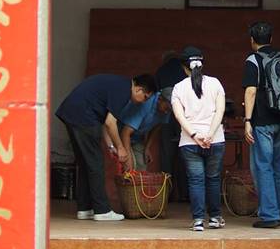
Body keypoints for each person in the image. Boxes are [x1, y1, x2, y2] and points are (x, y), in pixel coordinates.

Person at [55, 72, 156, 220]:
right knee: (96, 164)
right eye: (145, 97)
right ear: (138, 89)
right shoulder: (123, 91)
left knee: (86, 163)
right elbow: (110, 123)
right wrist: (120, 148)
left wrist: (111, 146)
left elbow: (104, 121)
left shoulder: (118, 85)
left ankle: (85, 208)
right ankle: (102, 211)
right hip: (84, 116)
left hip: (72, 113)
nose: (143, 102)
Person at [242, 20, 280, 228]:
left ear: (252, 40)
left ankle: (269, 215)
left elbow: (250, 91)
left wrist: (248, 120)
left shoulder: (253, 60)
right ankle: (277, 211)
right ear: (271, 39)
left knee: (263, 166)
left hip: (263, 121)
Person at [170, 46, 226, 233]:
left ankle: (198, 220)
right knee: (213, 179)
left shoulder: (178, 88)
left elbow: (179, 116)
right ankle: (215, 218)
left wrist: (195, 135)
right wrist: (210, 134)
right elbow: (220, 111)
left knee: (196, 181)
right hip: (215, 140)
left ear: (183, 66)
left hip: (189, 142)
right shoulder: (215, 83)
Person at [155, 50, 190, 201]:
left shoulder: (161, 71)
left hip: (167, 116)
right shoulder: (185, 69)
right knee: (185, 153)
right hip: (185, 118)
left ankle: (166, 194)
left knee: (166, 155)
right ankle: (185, 193)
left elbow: (156, 96)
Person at [118, 88, 173, 170]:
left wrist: (147, 147)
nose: (166, 112)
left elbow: (157, 127)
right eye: (166, 108)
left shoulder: (167, 109)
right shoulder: (146, 103)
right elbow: (125, 133)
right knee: (128, 166)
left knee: (142, 165)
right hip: (121, 133)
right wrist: (128, 159)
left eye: (169, 110)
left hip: (137, 137)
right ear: (160, 99)